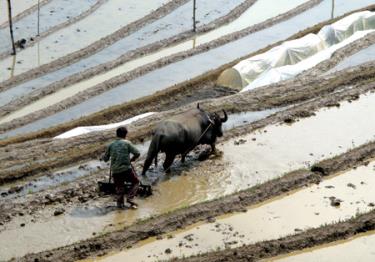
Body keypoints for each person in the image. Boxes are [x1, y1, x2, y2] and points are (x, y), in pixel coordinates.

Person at [102, 126, 140, 209]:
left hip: (115, 171)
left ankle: (120, 205)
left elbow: (105, 159)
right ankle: (130, 198)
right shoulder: (127, 143)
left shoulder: (111, 145)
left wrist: (102, 157)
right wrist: (132, 159)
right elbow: (137, 153)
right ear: (125, 135)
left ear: (117, 134)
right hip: (126, 169)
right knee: (136, 182)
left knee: (120, 188)